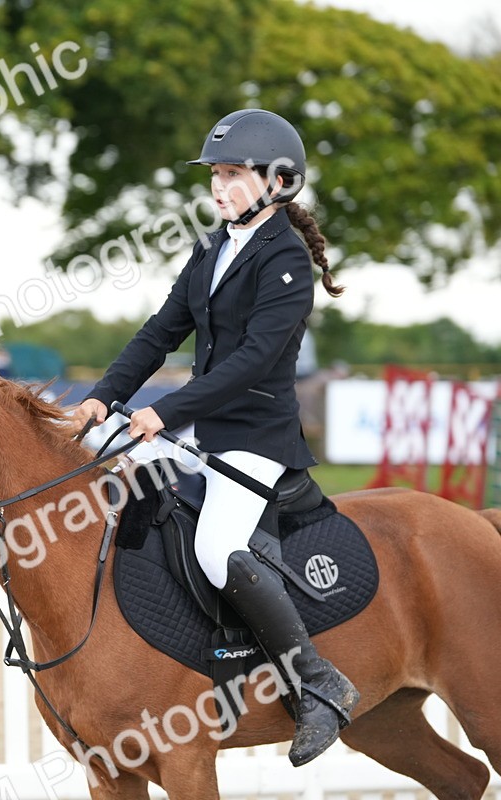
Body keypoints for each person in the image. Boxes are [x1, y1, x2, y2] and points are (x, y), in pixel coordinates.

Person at [71, 108, 357, 766]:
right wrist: (101, 398)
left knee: (217, 545)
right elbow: (159, 331)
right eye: (216, 175)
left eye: (232, 174)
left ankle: (316, 681)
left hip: (258, 436)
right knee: (117, 486)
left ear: (278, 181)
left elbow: (254, 360)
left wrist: (165, 412)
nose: (218, 186)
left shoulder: (286, 260)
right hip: (204, 426)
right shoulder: (211, 249)